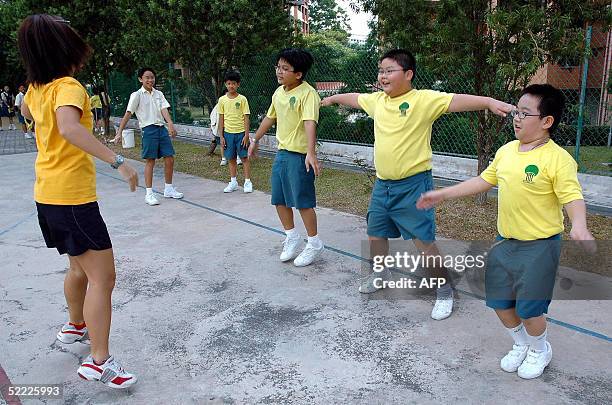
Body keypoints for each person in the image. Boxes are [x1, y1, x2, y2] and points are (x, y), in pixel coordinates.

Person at [321, 49, 513, 320]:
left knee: (423, 241)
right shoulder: (377, 101)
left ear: (408, 74)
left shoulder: (422, 100)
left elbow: (457, 100)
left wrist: (489, 102)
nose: (383, 76)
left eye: (389, 70)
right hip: (383, 185)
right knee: (376, 233)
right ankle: (381, 272)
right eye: (381, 71)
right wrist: (331, 98)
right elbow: (353, 98)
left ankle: (444, 290)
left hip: (413, 185)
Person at [417, 84, 594, 378]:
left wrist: (579, 224)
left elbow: (572, 196)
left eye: (525, 113)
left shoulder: (558, 158)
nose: (517, 117)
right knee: (499, 302)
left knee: (529, 309)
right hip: (505, 242)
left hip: (539, 246)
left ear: (547, 121)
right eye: (516, 111)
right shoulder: (506, 151)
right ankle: (521, 344)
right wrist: (443, 194)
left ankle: (540, 350)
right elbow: (484, 181)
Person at [17, 14, 138, 388]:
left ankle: (75, 326)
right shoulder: (68, 86)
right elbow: (69, 128)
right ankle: (99, 361)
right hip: (72, 198)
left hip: (47, 196)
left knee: (78, 269)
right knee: (104, 278)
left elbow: (25, 113)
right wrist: (118, 161)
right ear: (65, 48)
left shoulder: (37, 89)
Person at [249, 48, 324, 267]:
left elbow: (310, 122)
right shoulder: (279, 92)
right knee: (279, 199)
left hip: (299, 155)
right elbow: (270, 117)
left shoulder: (308, 94)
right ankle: (292, 237)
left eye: (285, 68)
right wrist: (255, 139)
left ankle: (314, 243)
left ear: (298, 73)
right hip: (282, 153)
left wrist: (311, 153)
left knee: (302, 202)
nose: (279, 72)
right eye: (278, 67)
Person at [113, 67, 184, 205]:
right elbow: (128, 113)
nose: (150, 80)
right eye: (147, 77)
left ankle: (168, 189)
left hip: (161, 129)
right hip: (148, 129)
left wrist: (170, 124)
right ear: (141, 79)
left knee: (169, 158)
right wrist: (119, 132)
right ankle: (149, 193)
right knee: (150, 161)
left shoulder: (159, 94)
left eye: (152, 77)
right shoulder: (137, 95)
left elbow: (164, 109)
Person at [218, 71, 252, 193]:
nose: (231, 86)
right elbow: (221, 118)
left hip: (241, 133)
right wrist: (221, 136)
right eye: (228, 83)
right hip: (228, 134)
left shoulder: (243, 99)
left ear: (238, 84)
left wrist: (246, 135)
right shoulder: (222, 100)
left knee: (244, 158)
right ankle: (233, 182)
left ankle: (247, 182)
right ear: (225, 84)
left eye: (233, 83)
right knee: (231, 158)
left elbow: (246, 117)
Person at [209, 89, 241, 166]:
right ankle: (224, 159)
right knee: (222, 143)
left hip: (232, 128)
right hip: (221, 128)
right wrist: (214, 126)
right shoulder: (219, 104)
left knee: (235, 143)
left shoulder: (237, 103)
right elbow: (213, 116)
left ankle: (238, 158)